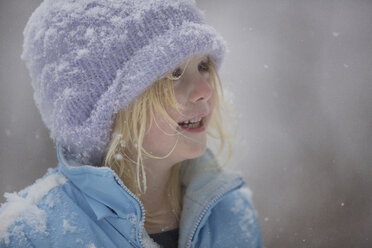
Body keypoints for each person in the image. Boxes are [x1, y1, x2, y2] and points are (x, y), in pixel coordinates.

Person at [0, 0, 262, 247]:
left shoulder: (230, 214)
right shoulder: (36, 234)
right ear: (104, 110)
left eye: (203, 65)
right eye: (174, 73)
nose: (204, 89)